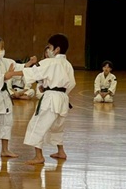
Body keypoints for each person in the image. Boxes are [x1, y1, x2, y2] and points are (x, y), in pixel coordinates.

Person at [6, 33, 75, 165]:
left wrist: (12, 73)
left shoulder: (50, 62)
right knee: (57, 127)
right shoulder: (67, 64)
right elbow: (71, 83)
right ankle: (61, 151)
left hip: (50, 100)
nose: (48, 50)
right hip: (63, 99)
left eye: (49, 47)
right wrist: (52, 89)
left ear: (57, 49)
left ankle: (39, 156)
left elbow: (32, 72)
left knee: (37, 125)